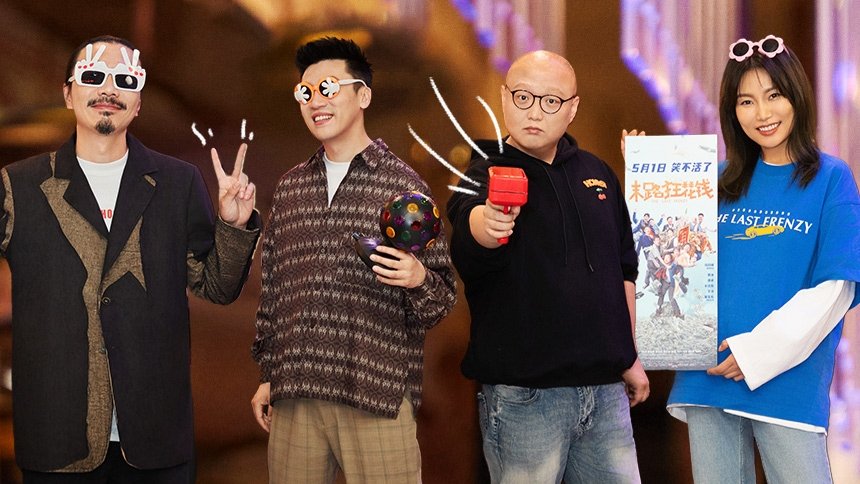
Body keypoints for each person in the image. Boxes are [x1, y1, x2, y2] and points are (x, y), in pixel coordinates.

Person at [2, 35, 260, 481]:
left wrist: (233, 225)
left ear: (138, 102)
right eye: (93, 76)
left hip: (156, 440)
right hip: (55, 438)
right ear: (68, 93)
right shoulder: (17, 186)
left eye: (124, 79)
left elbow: (216, 286)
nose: (108, 89)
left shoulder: (179, 182)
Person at [249, 37, 456, 483]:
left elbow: (441, 301)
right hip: (296, 395)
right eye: (305, 92)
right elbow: (275, 293)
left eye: (328, 88)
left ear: (363, 96)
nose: (314, 101)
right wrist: (269, 375)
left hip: (374, 395)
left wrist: (418, 277)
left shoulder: (403, 186)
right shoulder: (290, 189)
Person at [446, 50, 648, 483]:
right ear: (504, 98)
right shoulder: (482, 172)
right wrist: (490, 222)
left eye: (551, 101)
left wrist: (629, 355)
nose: (535, 112)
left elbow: (623, 270)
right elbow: (469, 231)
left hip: (606, 392)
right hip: (525, 398)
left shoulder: (598, 173)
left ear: (572, 108)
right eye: (523, 97)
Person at [666, 35, 860, 483]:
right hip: (709, 374)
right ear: (732, 111)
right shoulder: (714, 181)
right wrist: (646, 178)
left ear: (797, 96)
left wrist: (755, 353)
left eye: (774, 96)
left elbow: (836, 287)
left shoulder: (831, 178)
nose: (762, 113)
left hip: (787, 382)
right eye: (746, 101)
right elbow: (672, 260)